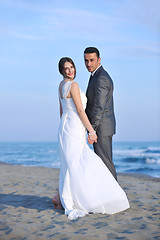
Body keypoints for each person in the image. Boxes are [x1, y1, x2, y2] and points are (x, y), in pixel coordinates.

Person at [52, 57, 129, 220]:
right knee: (79, 161)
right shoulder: (73, 85)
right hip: (74, 125)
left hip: (65, 126)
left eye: (71, 67)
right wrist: (91, 131)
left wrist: (63, 128)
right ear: (61, 71)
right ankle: (83, 198)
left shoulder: (60, 86)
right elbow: (80, 110)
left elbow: (61, 110)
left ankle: (62, 197)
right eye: (66, 68)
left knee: (70, 163)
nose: (70, 70)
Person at [84, 47, 117, 180]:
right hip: (101, 128)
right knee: (102, 164)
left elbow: (99, 107)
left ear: (99, 60)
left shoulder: (101, 78)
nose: (89, 64)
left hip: (102, 129)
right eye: (86, 61)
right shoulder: (95, 76)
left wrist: (92, 130)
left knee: (106, 164)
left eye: (92, 60)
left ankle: (116, 197)